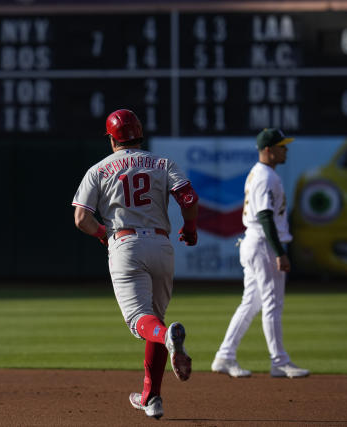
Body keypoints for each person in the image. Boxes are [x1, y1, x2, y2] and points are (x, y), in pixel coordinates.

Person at [72, 109, 198, 420]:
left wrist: (103, 234)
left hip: (125, 244)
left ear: (111, 138)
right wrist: (191, 228)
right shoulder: (162, 163)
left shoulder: (99, 170)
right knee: (154, 319)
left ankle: (168, 336)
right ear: (139, 133)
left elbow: (81, 218)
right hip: (161, 243)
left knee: (142, 322)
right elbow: (190, 199)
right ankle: (151, 398)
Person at [211, 128, 309, 379]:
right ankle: (279, 362)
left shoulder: (260, 172)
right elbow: (265, 216)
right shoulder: (266, 177)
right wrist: (280, 252)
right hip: (264, 244)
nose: (285, 149)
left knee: (251, 303)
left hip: (253, 243)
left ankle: (224, 356)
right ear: (268, 150)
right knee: (272, 304)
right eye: (281, 146)